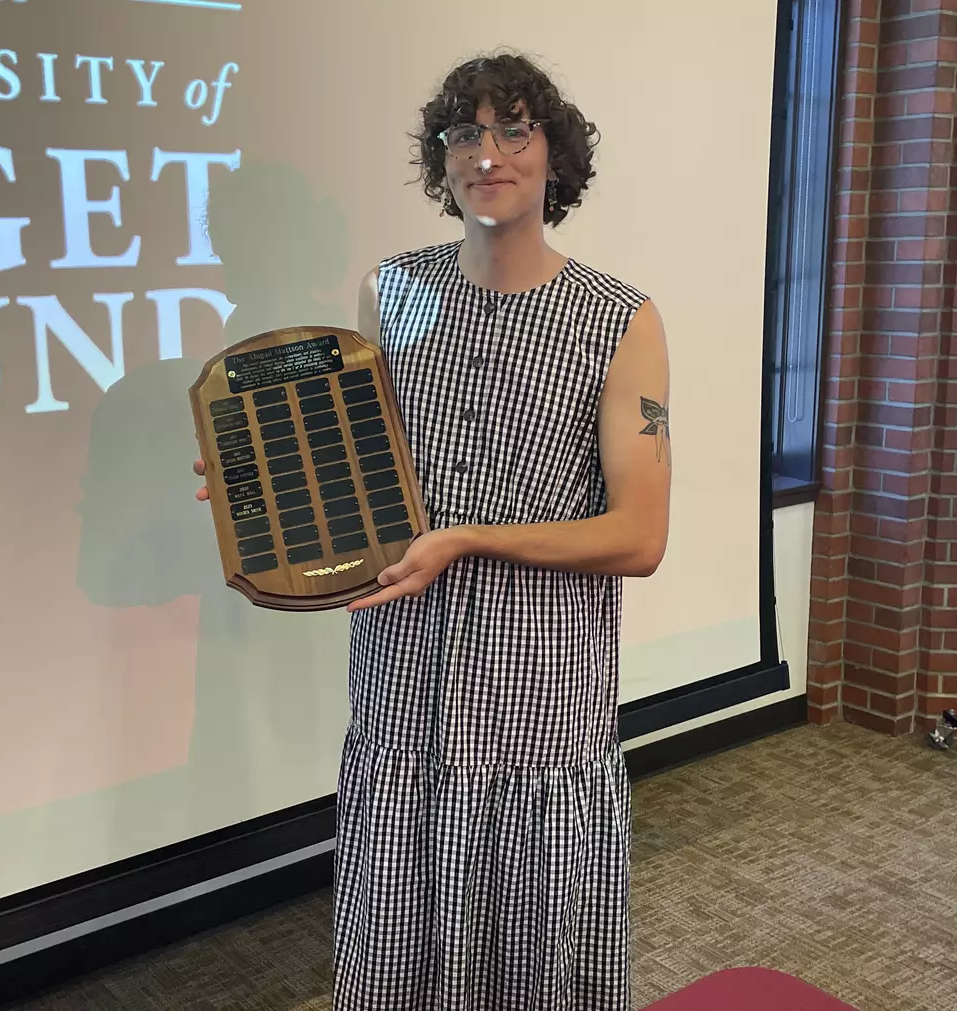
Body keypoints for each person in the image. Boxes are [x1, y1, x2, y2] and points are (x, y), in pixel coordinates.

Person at [195, 52, 670, 1010]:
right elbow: (366, 466)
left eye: (513, 129)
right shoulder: (393, 293)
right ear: (441, 160)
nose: (486, 153)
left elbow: (639, 535)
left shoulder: (621, 319)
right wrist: (270, 480)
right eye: (464, 133)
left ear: (554, 156)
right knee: (399, 955)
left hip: (539, 697)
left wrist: (466, 538)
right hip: (403, 685)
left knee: (537, 964)